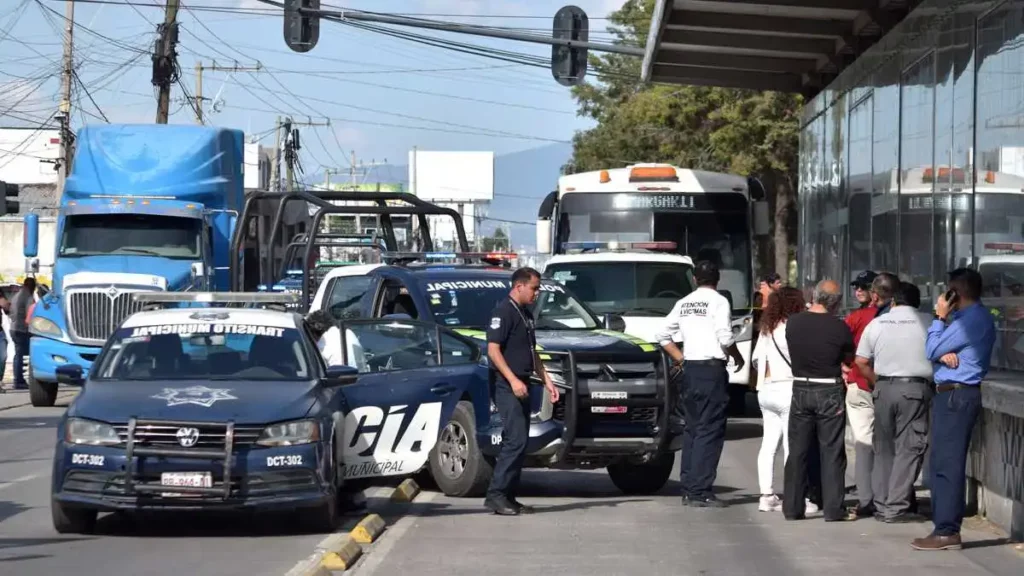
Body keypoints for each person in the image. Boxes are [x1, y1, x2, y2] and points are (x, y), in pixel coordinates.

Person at [911, 268, 996, 551]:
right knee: (940, 463)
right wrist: (941, 353)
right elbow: (936, 354)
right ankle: (943, 525)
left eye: (948, 291)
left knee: (947, 464)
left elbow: (929, 349)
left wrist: (938, 317)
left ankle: (947, 530)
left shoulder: (968, 320)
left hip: (956, 396)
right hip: (951, 394)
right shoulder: (964, 320)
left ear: (955, 293)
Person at [656, 260, 744, 508]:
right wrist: (737, 355)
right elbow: (725, 336)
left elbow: (662, 335)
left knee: (692, 429)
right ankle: (701, 490)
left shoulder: (684, 303)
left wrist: (680, 358)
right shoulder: (719, 301)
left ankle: (688, 487)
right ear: (717, 279)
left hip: (690, 369)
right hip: (710, 370)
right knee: (710, 429)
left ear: (695, 279)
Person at [854, 273, 932, 523]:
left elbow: (861, 361)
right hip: (916, 390)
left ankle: (881, 502)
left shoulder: (877, 324)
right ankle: (896, 506)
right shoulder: (929, 322)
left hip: (883, 388)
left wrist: (878, 383)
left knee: (883, 448)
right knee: (909, 448)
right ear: (917, 303)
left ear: (894, 301)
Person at [484, 267, 560, 516]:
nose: (537, 293)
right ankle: (496, 496)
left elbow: (532, 351)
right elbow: (493, 351)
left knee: (521, 441)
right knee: (515, 440)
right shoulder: (503, 312)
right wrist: (513, 380)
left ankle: (509, 496)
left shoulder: (525, 314)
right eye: (534, 288)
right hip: (507, 385)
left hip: (524, 383)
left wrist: (547, 380)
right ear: (519, 286)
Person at [783, 279, 856, 522]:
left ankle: (792, 507)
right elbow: (847, 357)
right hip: (829, 389)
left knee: (798, 451)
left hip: (801, 386)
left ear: (814, 296)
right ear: (835, 303)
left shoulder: (793, 323)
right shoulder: (839, 327)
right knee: (832, 451)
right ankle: (833, 508)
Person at [750, 286, 811, 513]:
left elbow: (756, 360)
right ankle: (794, 495)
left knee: (768, 445)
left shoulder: (767, 328)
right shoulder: (793, 328)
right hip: (788, 387)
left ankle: (766, 495)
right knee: (791, 445)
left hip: (765, 389)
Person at [843, 270, 879, 517]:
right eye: (856, 286)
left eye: (862, 287)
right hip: (886, 383)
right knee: (890, 445)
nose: (857, 290)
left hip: (859, 383)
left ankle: (867, 499)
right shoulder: (887, 316)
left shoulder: (856, 318)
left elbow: (839, 345)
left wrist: (845, 366)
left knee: (863, 444)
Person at [8, 278, 35, 391]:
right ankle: (19, 380)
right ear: (32, 286)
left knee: (18, 355)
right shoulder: (28, 296)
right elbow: (31, 314)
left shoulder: (16, 295)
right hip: (22, 329)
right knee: (25, 355)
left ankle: (18, 379)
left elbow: (10, 312)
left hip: (14, 328)